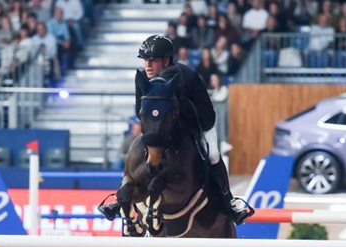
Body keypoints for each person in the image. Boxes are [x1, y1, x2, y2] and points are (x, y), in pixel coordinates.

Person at [104, 35, 253, 225]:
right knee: (137, 152)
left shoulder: (186, 76)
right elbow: (138, 109)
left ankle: (227, 200)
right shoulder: (142, 79)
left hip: (197, 125)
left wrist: (181, 117)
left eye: (153, 60)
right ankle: (121, 196)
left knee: (214, 154)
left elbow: (207, 115)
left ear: (166, 60)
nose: (148, 65)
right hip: (159, 129)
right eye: (145, 60)